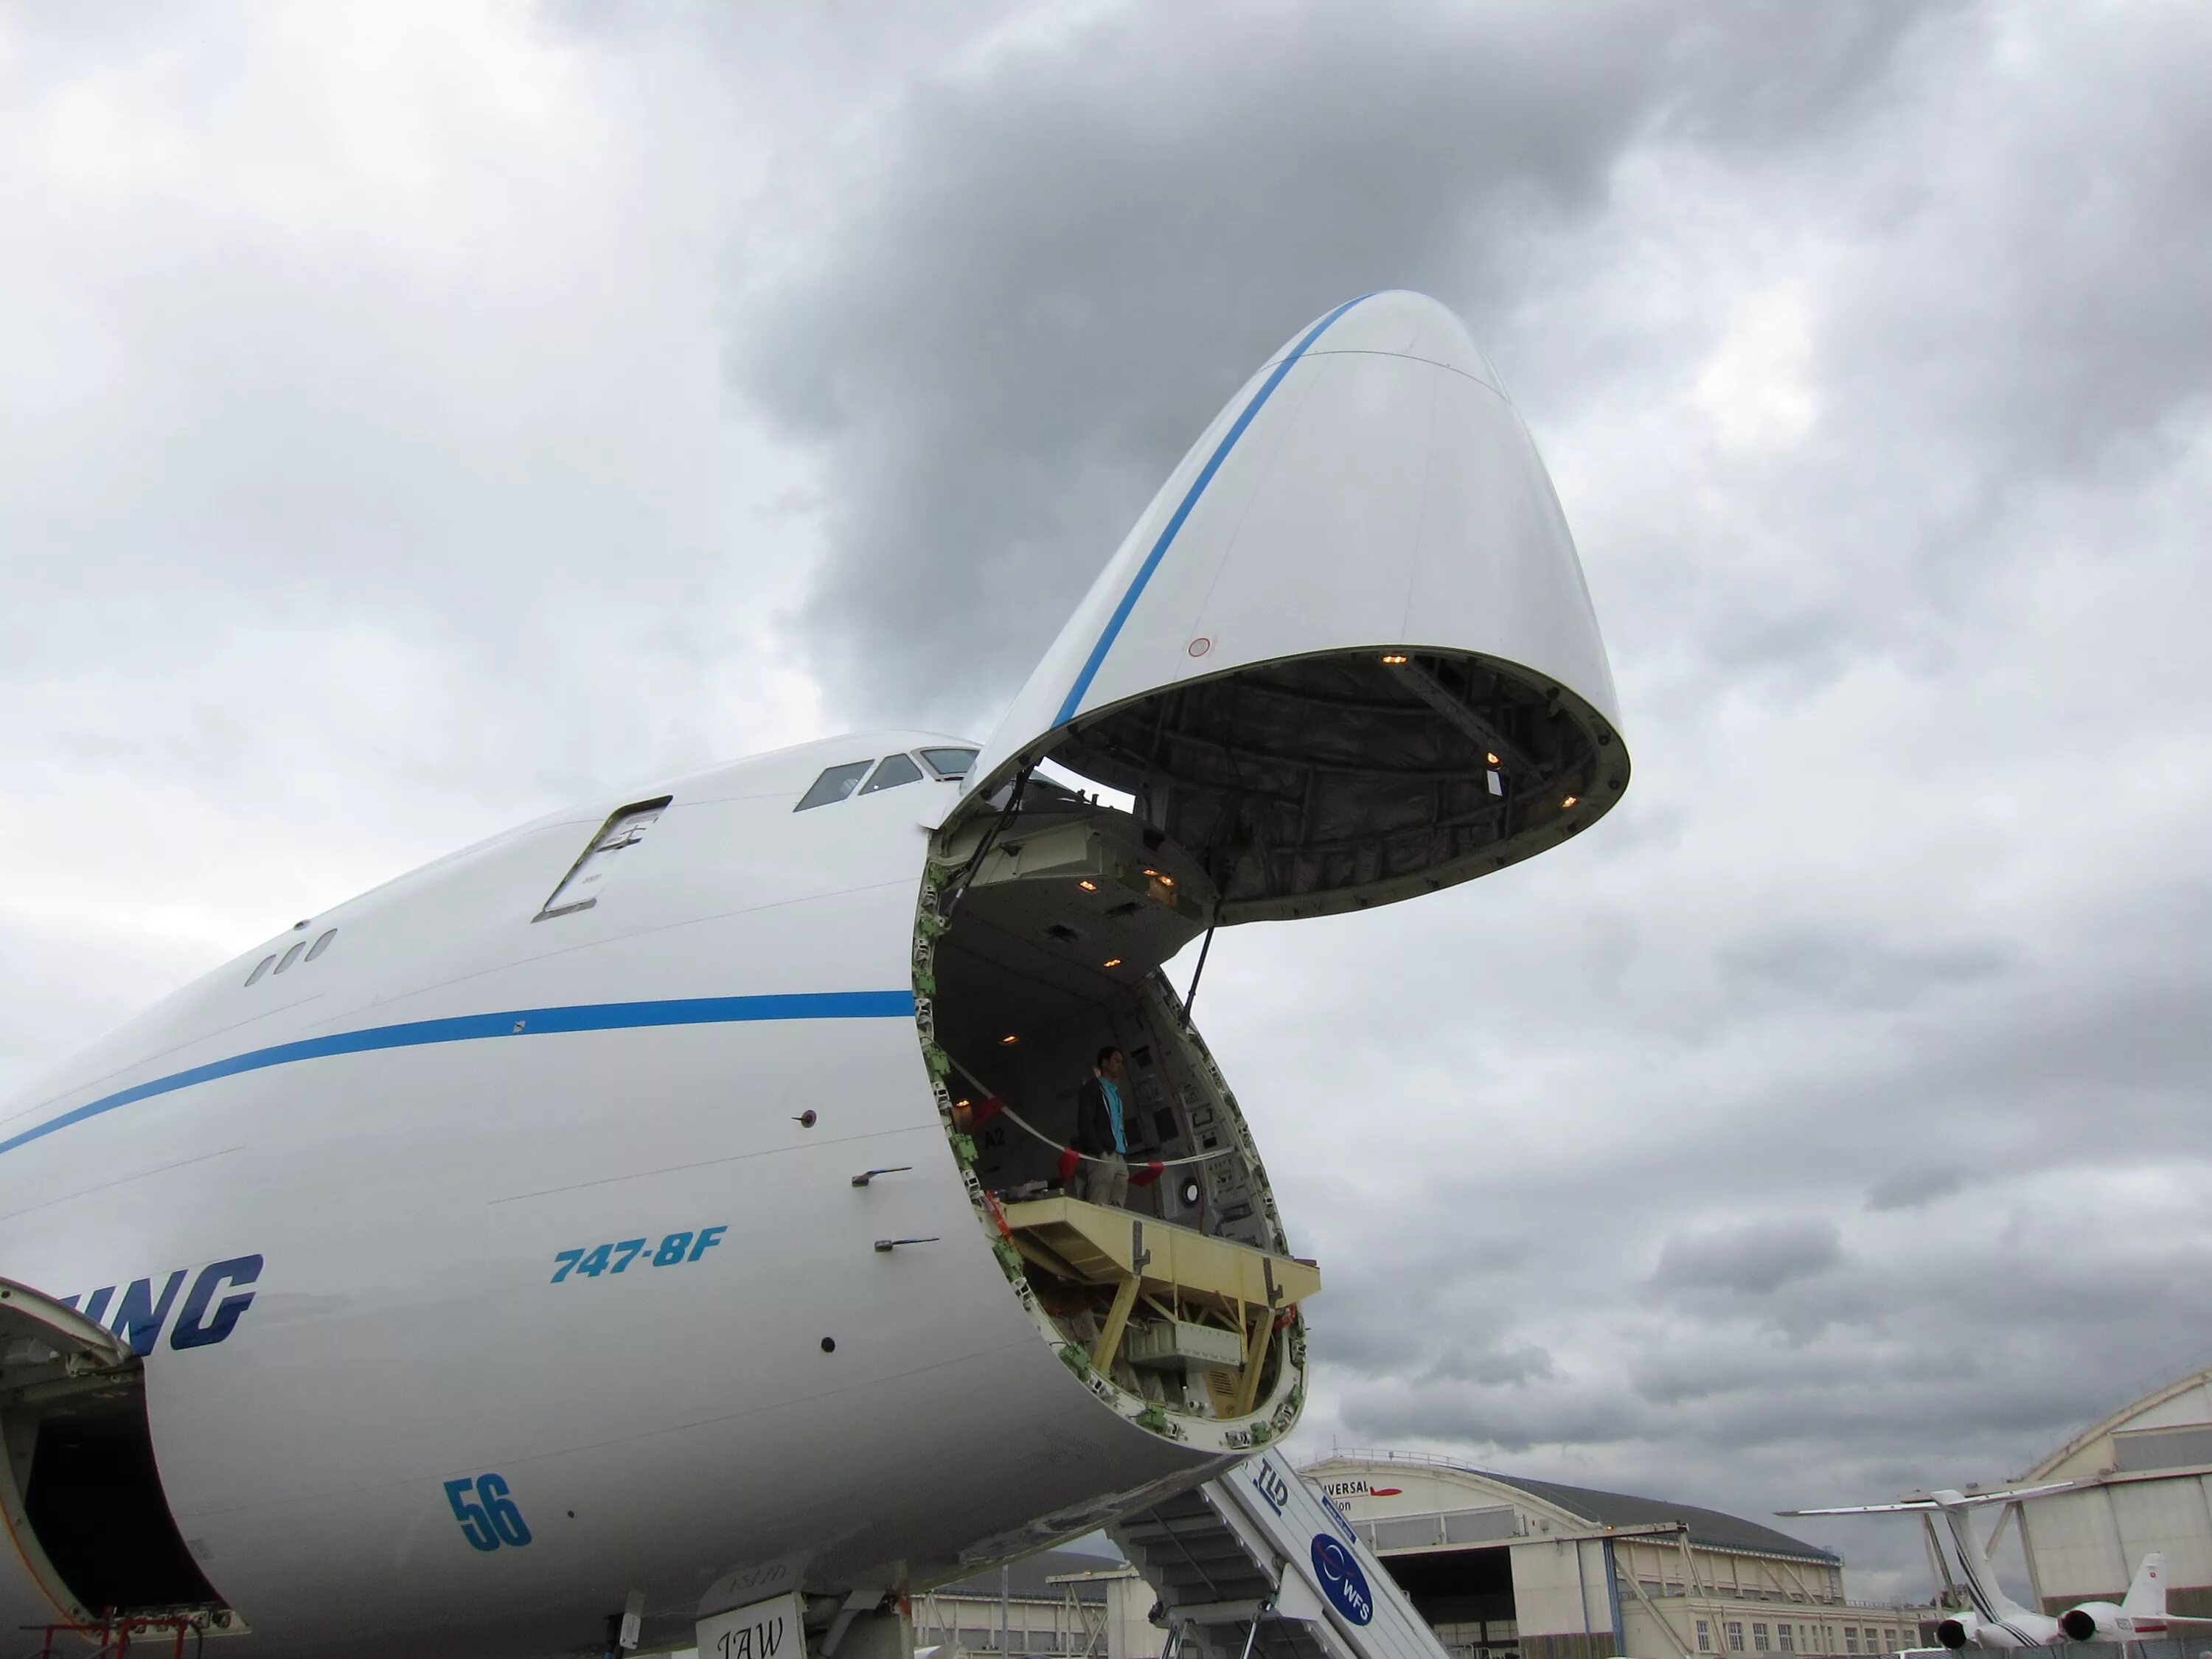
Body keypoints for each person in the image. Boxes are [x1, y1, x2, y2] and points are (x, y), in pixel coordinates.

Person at [1071, 1046, 1131, 1207]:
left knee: (1118, 1203)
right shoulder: (1093, 1088)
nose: (1120, 1066)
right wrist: (1099, 1151)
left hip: (1119, 1155)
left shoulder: (1115, 1093)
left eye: (1122, 1063)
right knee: (1099, 1199)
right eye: (1116, 1061)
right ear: (1105, 1063)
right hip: (1103, 1155)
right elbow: (1085, 1123)